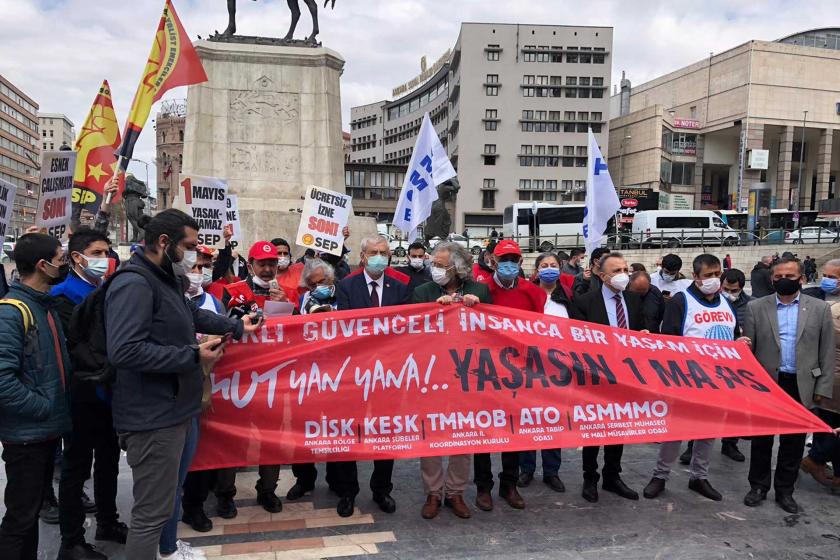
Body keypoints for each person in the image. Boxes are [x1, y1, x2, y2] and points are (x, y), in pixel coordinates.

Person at [104, 209, 259, 560]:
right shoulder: (134, 283)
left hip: (177, 409)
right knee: (150, 514)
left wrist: (235, 326)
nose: (195, 253)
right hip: (153, 416)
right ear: (164, 242)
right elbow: (125, 351)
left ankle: (167, 549)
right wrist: (192, 357)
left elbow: (190, 314)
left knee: (168, 494)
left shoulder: (165, 279)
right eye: (190, 245)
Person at [50, 229, 126, 560]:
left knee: (109, 461)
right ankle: (72, 540)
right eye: (97, 252)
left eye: (107, 251)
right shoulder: (63, 294)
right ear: (78, 257)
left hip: (110, 394)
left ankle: (108, 520)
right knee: (76, 467)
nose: (104, 258)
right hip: (81, 394)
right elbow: (75, 345)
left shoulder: (108, 287)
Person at [742, 257, 835, 514]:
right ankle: (758, 486)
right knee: (761, 440)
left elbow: (826, 352)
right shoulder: (756, 307)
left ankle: (785, 491)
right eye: (779, 276)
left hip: (801, 383)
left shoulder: (818, 309)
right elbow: (749, 351)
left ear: (802, 279)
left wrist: (821, 388)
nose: (784, 280)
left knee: (793, 443)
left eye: (790, 276)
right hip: (767, 384)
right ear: (772, 279)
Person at [0, 234, 72, 560]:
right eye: (61, 258)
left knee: (29, 516)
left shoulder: (44, 306)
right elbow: (3, 382)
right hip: (26, 437)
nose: (66, 263)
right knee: (20, 519)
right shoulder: (11, 313)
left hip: (45, 432)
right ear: (43, 266)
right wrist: (45, 407)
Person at [643, 254, 737, 502]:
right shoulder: (680, 302)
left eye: (718, 274)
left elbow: (734, 336)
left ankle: (699, 477)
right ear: (695, 276)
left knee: (708, 433)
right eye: (708, 275)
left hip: (719, 382)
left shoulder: (726, 303)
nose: (714, 280)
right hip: (686, 381)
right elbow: (669, 344)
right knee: (675, 431)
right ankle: (660, 476)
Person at [333, 235, 411, 518]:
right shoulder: (346, 286)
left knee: (385, 433)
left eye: (384, 252)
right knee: (348, 431)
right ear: (363, 256)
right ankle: (347, 491)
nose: (380, 257)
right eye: (374, 252)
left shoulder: (400, 286)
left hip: (388, 374)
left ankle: (381, 489)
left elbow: (405, 328)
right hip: (354, 373)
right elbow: (343, 328)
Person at [413, 242, 489, 520]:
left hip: (467, 376)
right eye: (434, 264)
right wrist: (434, 310)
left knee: (464, 434)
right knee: (431, 432)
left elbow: (491, 333)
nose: (436, 269)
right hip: (432, 374)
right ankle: (433, 492)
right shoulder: (422, 292)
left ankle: (455, 492)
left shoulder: (479, 291)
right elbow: (412, 332)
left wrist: (476, 309)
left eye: (441, 265)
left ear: (458, 267)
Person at [477, 239, 547, 511]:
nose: (508, 264)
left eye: (513, 260)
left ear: (520, 262)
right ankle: (483, 486)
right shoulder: (481, 291)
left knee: (514, 430)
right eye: (503, 259)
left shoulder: (533, 292)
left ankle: (509, 483)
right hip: (484, 371)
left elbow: (539, 330)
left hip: (519, 373)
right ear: (493, 261)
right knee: (481, 431)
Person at [571, 252, 643, 504]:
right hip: (596, 376)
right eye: (616, 271)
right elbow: (578, 341)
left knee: (618, 427)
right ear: (601, 275)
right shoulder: (584, 302)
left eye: (625, 269)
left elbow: (642, 332)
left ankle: (613, 475)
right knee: (595, 428)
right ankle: (590, 477)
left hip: (626, 376)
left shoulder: (634, 300)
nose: (624, 274)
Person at [179, 245, 240, 534]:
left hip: (211, 387)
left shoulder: (214, 303)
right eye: (192, 268)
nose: (197, 273)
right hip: (178, 387)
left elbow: (227, 334)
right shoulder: (170, 300)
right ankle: (183, 505)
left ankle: (196, 504)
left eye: (201, 268)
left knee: (204, 450)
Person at [286, 259, 342, 501]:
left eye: (324, 281)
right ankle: (304, 479)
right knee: (304, 428)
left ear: (332, 281)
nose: (320, 286)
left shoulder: (345, 298)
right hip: (308, 376)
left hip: (341, 374)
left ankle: (336, 479)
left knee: (338, 429)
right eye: (314, 283)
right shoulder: (302, 302)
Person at [516, 253, 568, 494]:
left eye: (553, 266)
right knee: (528, 416)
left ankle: (551, 470)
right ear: (536, 270)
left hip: (558, 367)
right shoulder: (526, 293)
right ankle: (526, 468)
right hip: (527, 365)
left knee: (553, 417)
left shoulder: (568, 296)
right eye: (544, 266)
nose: (549, 269)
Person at [799, 259, 840, 494]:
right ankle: (815, 459)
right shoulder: (814, 299)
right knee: (827, 425)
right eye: (826, 275)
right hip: (825, 376)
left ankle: (824, 463)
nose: (827, 280)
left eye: (833, 277)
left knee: (832, 427)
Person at [270, 238, 304, 310]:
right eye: (279, 253)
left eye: (285, 253)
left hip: (299, 314)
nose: (283, 256)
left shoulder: (299, 269)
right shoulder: (265, 277)